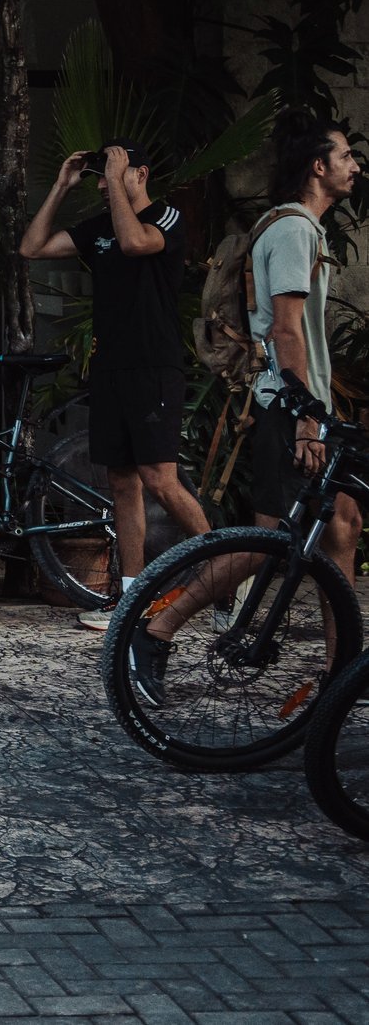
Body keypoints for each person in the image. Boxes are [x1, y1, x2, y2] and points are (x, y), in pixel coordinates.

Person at [131, 112, 360, 702]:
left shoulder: (299, 227)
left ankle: (343, 671)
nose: (355, 166)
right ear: (318, 166)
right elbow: (285, 330)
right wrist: (306, 416)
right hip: (292, 407)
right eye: (345, 156)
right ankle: (156, 630)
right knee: (268, 539)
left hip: (303, 403)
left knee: (342, 524)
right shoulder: (293, 231)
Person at [18, 139, 207, 629]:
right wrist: (62, 186)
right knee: (122, 483)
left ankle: (226, 574)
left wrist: (121, 183)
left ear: (140, 175)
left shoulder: (166, 218)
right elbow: (32, 247)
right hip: (109, 369)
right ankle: (130, 598)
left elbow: (135, 243)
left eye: (112, 174)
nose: (102, 185)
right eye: (100, 177)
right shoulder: (99, 227)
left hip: (153, 368)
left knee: (160, 479)